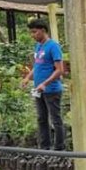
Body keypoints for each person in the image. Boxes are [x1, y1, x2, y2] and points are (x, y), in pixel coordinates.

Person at [21, 19, 65, 151]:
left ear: (43, 30)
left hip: (51, 90)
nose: (32, 35)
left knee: (55, 119)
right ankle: (44, 147)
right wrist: (28, 77)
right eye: (31, 32)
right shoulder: (39, 46)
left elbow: (60, 70)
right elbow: (37, 65)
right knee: (41, 118)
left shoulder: (53, 46)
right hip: (39, 90)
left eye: (34, 32)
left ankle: (59, 148)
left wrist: (45, 83)